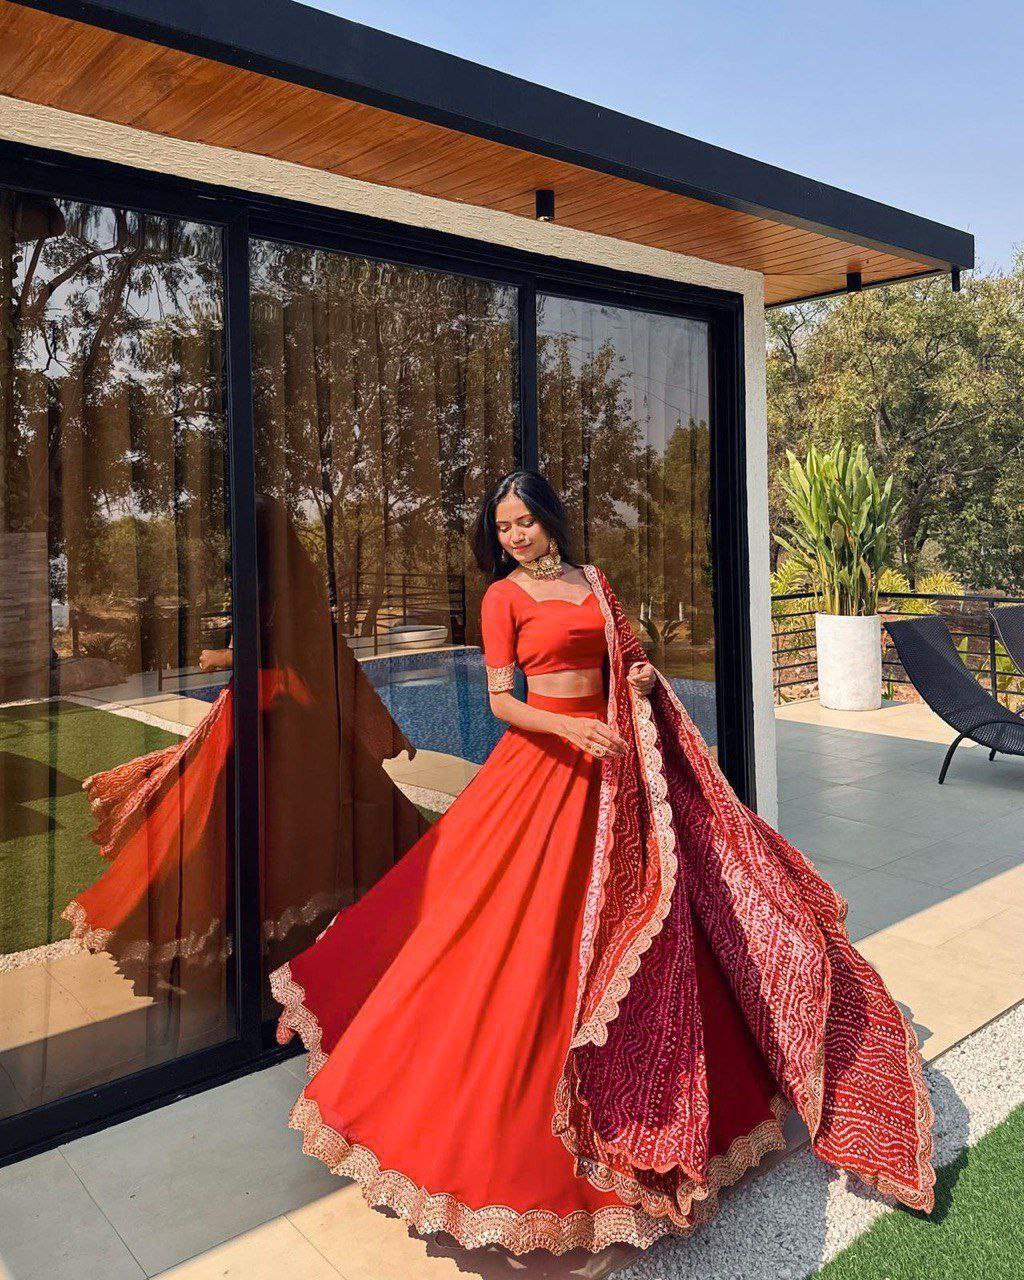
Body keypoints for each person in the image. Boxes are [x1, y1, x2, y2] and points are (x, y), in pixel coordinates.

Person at [270, 469, 936, 1258]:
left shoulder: (596, 583)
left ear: (551, 519)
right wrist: (571, 731)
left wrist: (641, 680)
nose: (516, 536)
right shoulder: (501, 599)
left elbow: (630, 663)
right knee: (509, 929)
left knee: (657, 924)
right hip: (545, 769)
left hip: (624, 770)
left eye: (526, 522)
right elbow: (501, 702)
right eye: (504, 527)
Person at [62, 495, 426, 1004]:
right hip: (268, 714)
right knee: (235, 823)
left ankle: (260, 939)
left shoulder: (276, 586)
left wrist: (224, 655)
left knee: (233, 824)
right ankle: (265, 936)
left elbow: (297, 652)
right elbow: (319, 651)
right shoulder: (279, 583)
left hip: (273, 715)